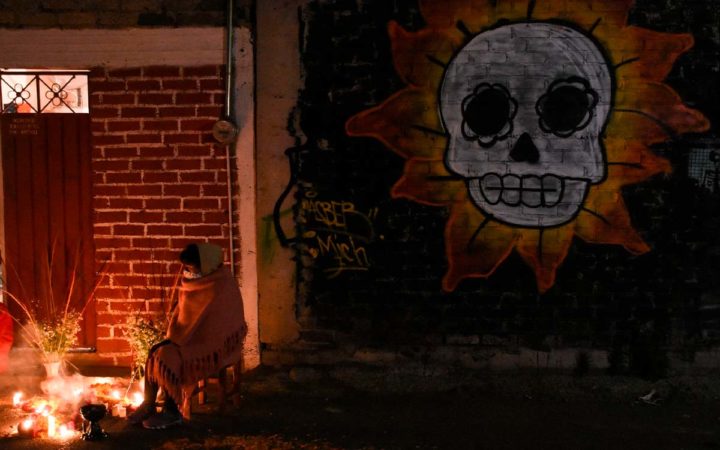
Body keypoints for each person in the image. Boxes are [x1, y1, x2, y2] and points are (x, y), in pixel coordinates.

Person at [128, 243, 247, 429]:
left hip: (210, 342)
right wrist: (180, 334)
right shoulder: (191, 281)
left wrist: (189, 336)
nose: (190, 271)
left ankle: (172, 411)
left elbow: (222, 321)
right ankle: (149, 404)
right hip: (186, 336)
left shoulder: (222, 283)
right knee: (154, 352)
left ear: (206, 264)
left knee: (167, 357)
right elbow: (185, 314)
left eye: (193, 267)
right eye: (187, 267)